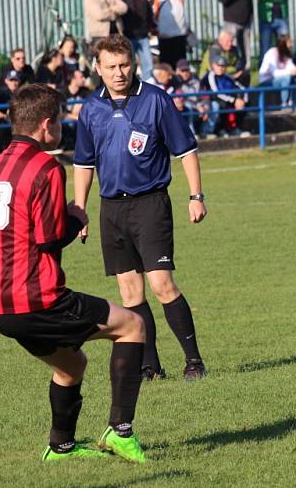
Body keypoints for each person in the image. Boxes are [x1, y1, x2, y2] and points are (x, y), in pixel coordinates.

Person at [0, 84, 147, 462]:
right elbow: (49, 238)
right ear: (47, 125)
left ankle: (61, 446)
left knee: (72, 364)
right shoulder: (47, 167)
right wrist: (76, 218)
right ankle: (121, 432)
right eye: (61, 121)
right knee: (133, 325)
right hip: (35, 298)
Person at [73, 36, 207, 382]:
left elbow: (186, 151)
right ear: (98, 68)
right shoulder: (91, 109)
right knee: (130, 293)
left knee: (162, 284)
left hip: (150, 203)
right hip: (111, 209)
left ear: (135, 64)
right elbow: (84, 164)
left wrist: (196, 196)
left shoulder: (156, 100)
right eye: (112, 67)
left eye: (125, 65)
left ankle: (194, 361)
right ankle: (150, 366)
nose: (120, 73)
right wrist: (80, 210)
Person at [217, 0, 253, 70]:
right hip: (231, 23)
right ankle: (232, 70)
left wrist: (250, 17)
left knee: (246, 50)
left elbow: (249, 1)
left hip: (245, 23)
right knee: (233, 49)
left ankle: (246, 72)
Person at [118, 0, 155, 81]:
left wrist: (150, 28)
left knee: (148, 65)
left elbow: (149, 13)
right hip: (127, 36)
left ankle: (147, 91)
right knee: (129, 65)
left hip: (143, 36)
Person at [200, 56, 248, 137]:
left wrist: (242, 99)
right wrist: (234, 100)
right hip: (211, 101)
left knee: (244, 105)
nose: (220, 68)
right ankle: (209, 131)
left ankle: (232, 129)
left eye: (223, 66)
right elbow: (216, 93)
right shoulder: (210, 76)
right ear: (213, 65)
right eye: (218, 65)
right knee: (217, 106)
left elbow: (241, 88)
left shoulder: (227, 77)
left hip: (227, 100)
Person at [152, 0, 190, 68]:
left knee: (181, 65)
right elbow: (152, 16)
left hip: (179, 37)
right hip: (164, 38)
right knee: (166, 66)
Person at [259, 34, 296, 107]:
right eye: (289, 42)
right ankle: (284, 104)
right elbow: (274, 73)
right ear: (283, 44)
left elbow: (290, 66)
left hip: (280, 79)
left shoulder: (286, 54)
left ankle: (293, 102)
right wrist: (290, 72)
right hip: (267, 80)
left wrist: (295, 70)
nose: (291, 45)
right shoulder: (272, 53)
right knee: (286, 78)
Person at [172, 59, 209, 135]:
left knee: (215, 106)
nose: (185, 73)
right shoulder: (176, 82)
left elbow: (205, 96)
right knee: (188, 107)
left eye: (187, 70)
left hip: (198, 106)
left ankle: (207, 131)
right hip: (186, 108)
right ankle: (191, 133)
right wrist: (198, 107)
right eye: (182, 71)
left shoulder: (197, 80)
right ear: (178, 71)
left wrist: (206, 107)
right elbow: (183, 99)